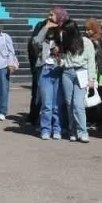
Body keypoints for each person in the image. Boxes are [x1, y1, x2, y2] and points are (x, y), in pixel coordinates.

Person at [59, 19, 97, 143]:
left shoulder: (86, 42)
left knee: (78, 103)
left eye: (65, 31)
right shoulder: (64, 42)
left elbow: (91, 61)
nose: (62, 33)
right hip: (67, 73)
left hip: (82, 72)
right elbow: (63, 60)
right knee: (69, 103)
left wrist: (91, 78)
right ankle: (73, 131)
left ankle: (83, 132)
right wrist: (59, 60)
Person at [33, 7, 65, 140]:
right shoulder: (45, 34)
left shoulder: (63, 32)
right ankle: (45, 129)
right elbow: (35, 42)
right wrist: (46, 27)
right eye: (49, 15)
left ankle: (57, 129)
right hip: (45, 69)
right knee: (46, 103)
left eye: (52, 15)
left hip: (59, 70)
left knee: (57, 103)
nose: (49, 17)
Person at [83, 17, 102, 134]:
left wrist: (96, 45)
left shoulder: (100, 38)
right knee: (90, 93)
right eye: (86, 29)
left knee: (100, 93)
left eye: (89, 29)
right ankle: (91, 119)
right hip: (90, 71)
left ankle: (100, 120)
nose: (87, 32)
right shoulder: (86, 40)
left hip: (100, 72)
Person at [27, 16, 50, 125]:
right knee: (37, 94)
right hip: (39, 67)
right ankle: (33, 117)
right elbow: (33, 48)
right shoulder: (37, 36)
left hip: (51, 68)